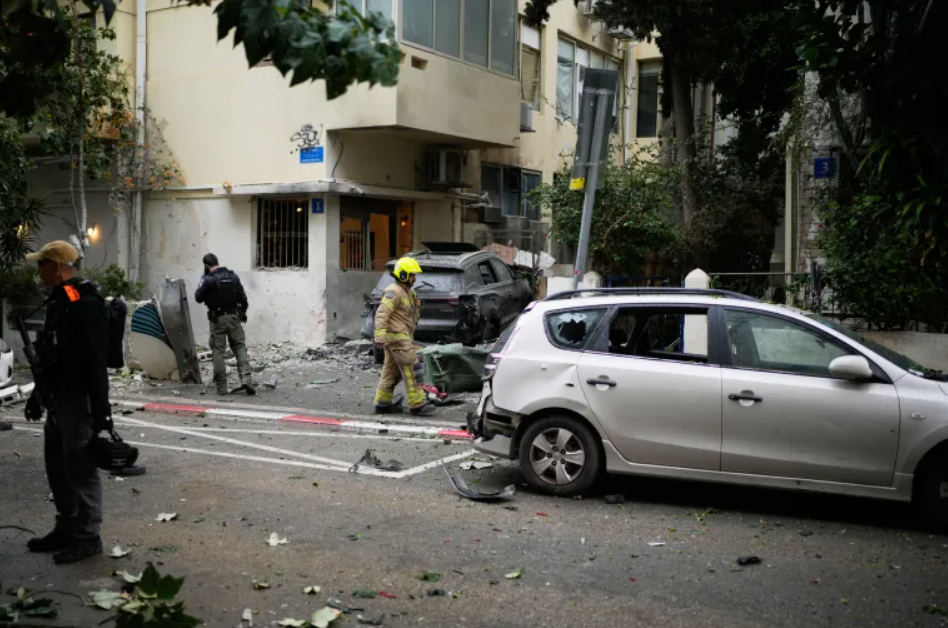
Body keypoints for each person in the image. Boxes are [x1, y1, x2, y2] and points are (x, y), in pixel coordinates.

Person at [23, 240, 111, 564]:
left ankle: (88, 537)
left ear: (58, 266)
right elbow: (50, 356)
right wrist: (37, 396)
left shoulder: (85, 302)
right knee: (57, 467)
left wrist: (102, 412)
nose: (38, 271)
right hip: (57, 398)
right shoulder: (60, 301)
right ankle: (66, 527)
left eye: (42, 264)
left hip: (78, 398)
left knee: (80, 469)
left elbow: (95, 361)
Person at [373, 256, 436, 416]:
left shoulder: (407, 291)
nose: (415, 278)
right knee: (413, 369)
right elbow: (381, 314)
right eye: (412, 275)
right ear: (403, 275)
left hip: (399, 337)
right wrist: (379, 339)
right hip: (398, 338)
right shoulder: (393, 291)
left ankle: (383, 403)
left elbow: (409, 315)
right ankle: (418, 404)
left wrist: (418, 306)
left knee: (390, 372)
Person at [194, 253, 255, 396]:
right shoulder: (233, 276)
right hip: (234, 317)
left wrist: (203, 280)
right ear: (217, 262)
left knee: (218, 351)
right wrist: (242, 312)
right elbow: (243, 298)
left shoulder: (208, 279)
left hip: (217, 320)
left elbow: (198, 297)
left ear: (206, 266)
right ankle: (246, 379)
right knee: (240, 347)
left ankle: (222, 387)